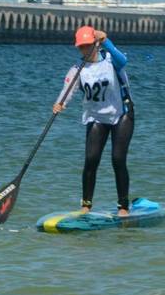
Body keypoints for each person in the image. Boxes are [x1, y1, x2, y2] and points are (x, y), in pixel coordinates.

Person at [52, 26, 135, 217]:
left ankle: (123, 207)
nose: (84, 50)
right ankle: (86, 206)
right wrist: (60, 104)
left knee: (117, 159)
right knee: (91, 160)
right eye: (81, 47)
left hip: (121, 113)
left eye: (88, 45)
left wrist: (106, 41)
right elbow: (67, 91)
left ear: (95, 44)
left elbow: (124, 60)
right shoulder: (77, 70)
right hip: (96, 117)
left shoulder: (110, 59)